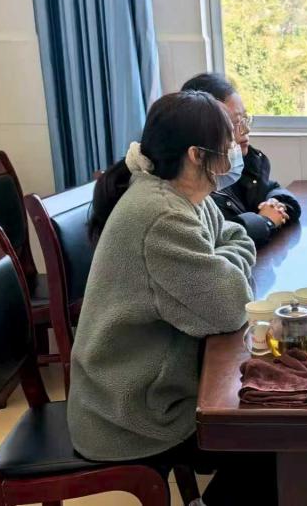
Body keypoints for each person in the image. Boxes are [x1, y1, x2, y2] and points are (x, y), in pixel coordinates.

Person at [68, 91, 275, 505]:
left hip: (145, 390)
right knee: (273, 441)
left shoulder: (184, 196)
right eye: (227, 143)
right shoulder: (162, 215)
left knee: (268, 428)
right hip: (130, 413)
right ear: (197, 155)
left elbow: (235, 235)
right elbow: (231, 304)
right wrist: (226, 265)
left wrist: (222, 261)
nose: (235, 151)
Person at [181, 73, 301, 246]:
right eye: (234, 123)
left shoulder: (243, 163)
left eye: (245, 119)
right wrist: (266, 221)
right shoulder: (197, 187)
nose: (245, 130)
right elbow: (222, 238)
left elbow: (272, 188)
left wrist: (276, 204)